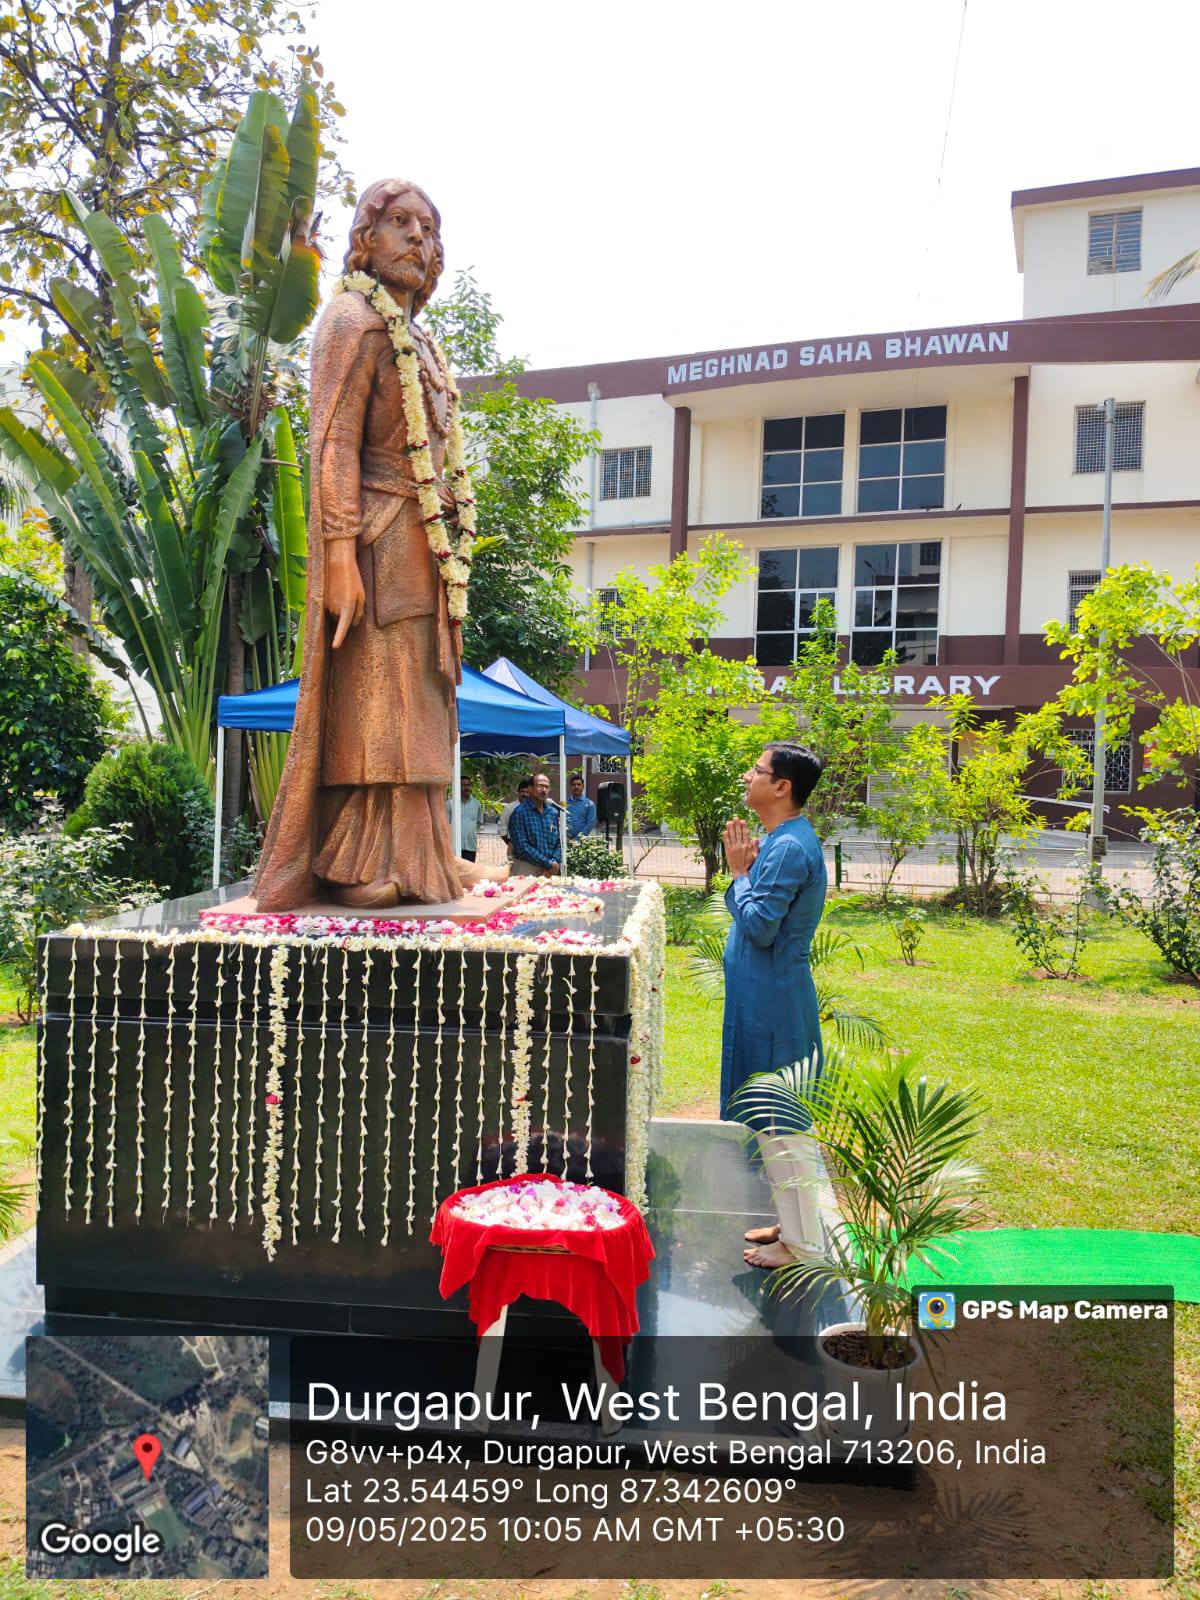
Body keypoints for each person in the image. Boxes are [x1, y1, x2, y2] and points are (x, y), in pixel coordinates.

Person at [254, 178, 485, 911]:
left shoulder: (420, 339)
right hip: (375, 541)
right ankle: (360, 856)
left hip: (426, 545)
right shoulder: (352, 318)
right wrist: (337, 554)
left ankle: (426, 853)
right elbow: (332, 444)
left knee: (422, 697)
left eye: (429, 227)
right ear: (367, 237)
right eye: (401, 221)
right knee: (378, 696)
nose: (418, 237)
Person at [720, 742, 827, 1270]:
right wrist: (746, 871)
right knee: (770, 1123)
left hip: (775, 1006)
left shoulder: (788, 847)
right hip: (760, 1000)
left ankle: (804, 1246)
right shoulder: (780, 841)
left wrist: (739, 875)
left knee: (784, 1126)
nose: (748, 775)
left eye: (757, 770)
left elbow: (760, 926)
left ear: (781, 787)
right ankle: (792, 1225)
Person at [508, 772, 563, 877]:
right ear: (530, 789)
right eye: (540, 786)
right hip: (526, 868)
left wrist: (553, 863)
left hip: (549, 870)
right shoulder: (519, 813)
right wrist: (548, 863)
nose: (544, 790)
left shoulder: (552, 813)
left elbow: (558, 842)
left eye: (546, 787)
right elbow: (522, 847)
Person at [447, 773, 483, 862]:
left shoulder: (476, 804)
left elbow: (479, 822)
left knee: (469, 870)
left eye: (468, 785)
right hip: (454, 846)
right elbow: (446, 824)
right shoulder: (450, 804)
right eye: (463, 785)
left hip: (471, 846)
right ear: (457, 786)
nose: (466, 787)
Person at [499, 777, 533, 858]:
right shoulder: (509, 808)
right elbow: (502, 827)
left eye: (527, 792)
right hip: (514, 848)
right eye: (522, 792)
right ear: (518, 792)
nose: (525, 794)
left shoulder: (534, 808)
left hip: (532, 849)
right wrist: (510, 843)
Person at [566, 773, 596, 839]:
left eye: (578, 784)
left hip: (581, 841)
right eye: (573, 784)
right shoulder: (564, 804)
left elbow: (590, 824)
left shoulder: (590, 804)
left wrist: (576, 839)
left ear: (583, 786)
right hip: (564, 840)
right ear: (570, 787)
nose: (576, 787)